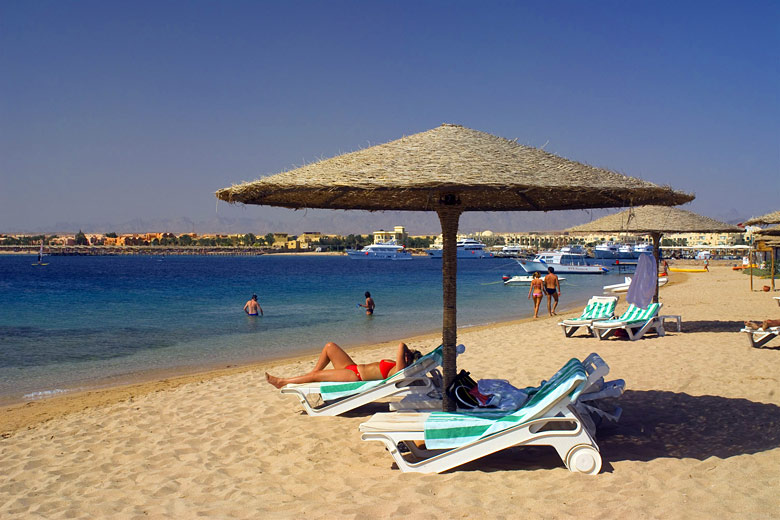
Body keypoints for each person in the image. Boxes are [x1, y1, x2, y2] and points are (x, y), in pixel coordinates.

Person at [265, 341, 422, 388]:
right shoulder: (397, 364)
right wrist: (409, 354)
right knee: (329, 346)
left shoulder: (400, 369)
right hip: (352, 367)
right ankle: (311, 378)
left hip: (355, 376)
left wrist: (407, 352)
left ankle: (282, 382)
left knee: (316, 376)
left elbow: (401, 345)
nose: (405, 355)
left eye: (408, 356)